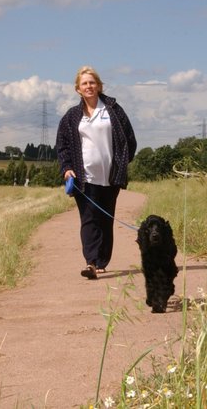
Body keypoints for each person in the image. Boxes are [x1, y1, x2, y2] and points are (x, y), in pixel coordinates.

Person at [55, 66, 137, 280]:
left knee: (105, 219)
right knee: (89, 218)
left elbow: (129, 139)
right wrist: (66, 168)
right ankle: (91, 262)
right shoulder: (72, 116)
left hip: (111, 176)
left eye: (92, 82)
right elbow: (62, 145)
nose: (89, 86)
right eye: (84, 83)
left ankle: (102, 261)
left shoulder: (113, 110)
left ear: (99, 86)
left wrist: (122, 162)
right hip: (84, 177)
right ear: (78, 89)